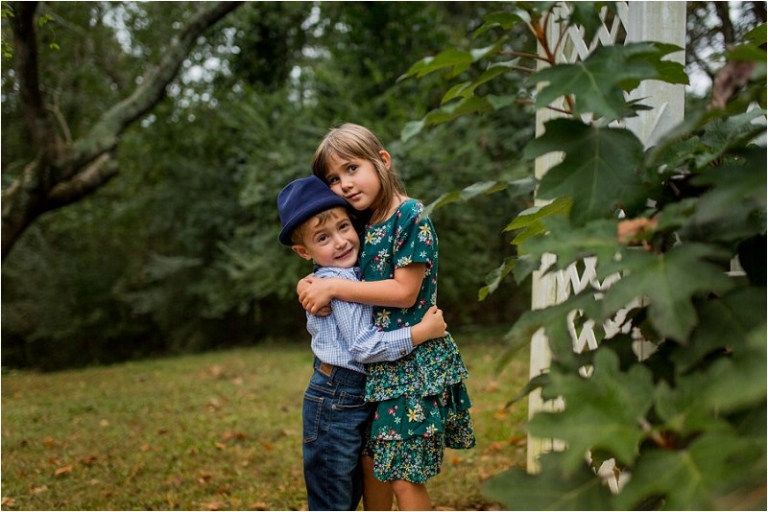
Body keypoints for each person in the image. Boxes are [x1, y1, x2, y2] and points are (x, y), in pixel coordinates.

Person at [298, 123, 476, 511]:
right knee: (372, 469)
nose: (344, 184)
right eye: (333, 177)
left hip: (413, 364)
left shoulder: (410, 216)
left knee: (402, 476)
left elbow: (404, 291)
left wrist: (332, 288)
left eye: (351, 168)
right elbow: (333, 263)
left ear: (382, 161)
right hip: (376, 371)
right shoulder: (362, 223)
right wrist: (311, 282)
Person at [277, 175, 449, 511]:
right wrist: (420, 333)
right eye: (323, 237)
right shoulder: (337, 282)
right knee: (333, 496)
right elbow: (364, 347)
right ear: (303, 251)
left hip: (352, 391)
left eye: (344, 227)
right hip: (335, 396)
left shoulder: (350, 273)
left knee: (351, 486)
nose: (340, 242)